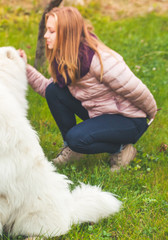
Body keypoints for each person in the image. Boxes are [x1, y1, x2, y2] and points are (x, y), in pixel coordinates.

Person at [19, 7, 157, 171]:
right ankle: (74, 148)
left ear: (66, 34)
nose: (45, 35)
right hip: (101, 113)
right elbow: (47, 90)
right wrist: (24, 67)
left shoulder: (99, 60)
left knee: (76, 138)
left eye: (51, 31)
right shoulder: (65, 59)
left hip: (129, 119)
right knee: (54, 91)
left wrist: (150, 115)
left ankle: (120, 148)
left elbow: (136, 90)